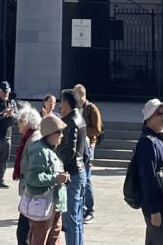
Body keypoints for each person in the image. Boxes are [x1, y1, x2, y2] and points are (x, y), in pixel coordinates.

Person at [129, 96, 163, 245]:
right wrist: (154, 210)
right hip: (161, 211)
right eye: (158, 113)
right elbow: (147, 178)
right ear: (148, 118)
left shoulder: (160, 139)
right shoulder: (147, 143)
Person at [22, 111, 70, 245]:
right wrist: (56, 178)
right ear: (49, 133)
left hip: (55, 204)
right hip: (43, 205)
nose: (62, 135)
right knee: (39, 240)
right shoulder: (39, 150)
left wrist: (62, 178)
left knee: (54, 239)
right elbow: (33, 178)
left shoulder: (50, 148)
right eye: (59, 132)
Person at [57, 88, 88, 245]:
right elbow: (85, 152)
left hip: (72, 174)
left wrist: (57, 164)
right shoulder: (80, 119)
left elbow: (69, 151)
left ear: (67, 103)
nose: (60, 106)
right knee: (77, 218)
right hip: (80, 171)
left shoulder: (70, 122)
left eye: (61, 102)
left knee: (70, 220)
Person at [74, 83, 103, 221]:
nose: (74, 97)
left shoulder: (92, 109)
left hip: (88, 146)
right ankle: (80, 208)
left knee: (86, 178)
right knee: (78, 178)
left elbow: (97, 130)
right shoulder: (74, 108)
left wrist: (82, 132)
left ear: (82, 95)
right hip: (76, 146)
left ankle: (89, 210)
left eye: (76, 94)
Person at [14, 104, 43, 245]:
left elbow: (34, 167)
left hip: (32, 191)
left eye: (20, 121)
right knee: (24, 231)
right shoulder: (30, 138)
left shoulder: (33, 140)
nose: (18, 125)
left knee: (23, 232)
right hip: (29, 190)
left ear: (26, 122)